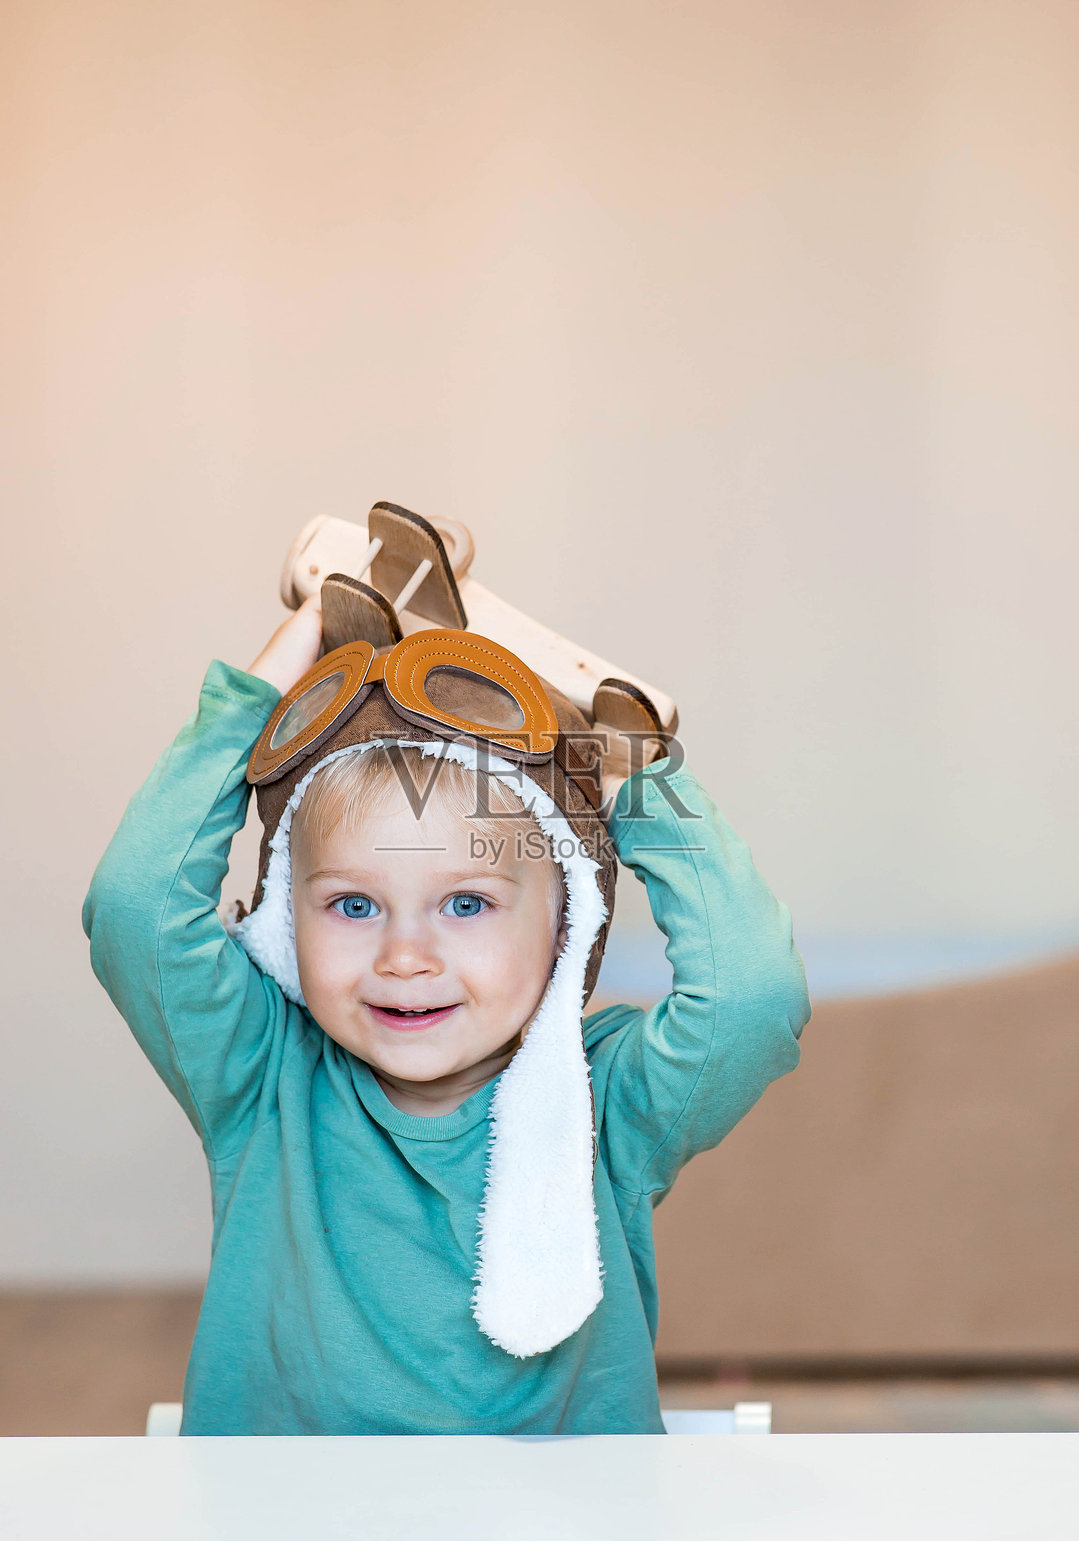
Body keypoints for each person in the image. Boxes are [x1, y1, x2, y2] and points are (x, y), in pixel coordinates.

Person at [82, 590, 811, 1435]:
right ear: (287, 924)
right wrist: (250, 702)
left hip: (563, 1519)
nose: (405, 957)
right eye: (353, 906)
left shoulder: (606, 1100)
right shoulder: (257, 1070)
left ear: (564, 929)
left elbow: (753, 994)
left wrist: (640, 791)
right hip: (288, 1516)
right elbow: (135, 906)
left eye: (466, 904)